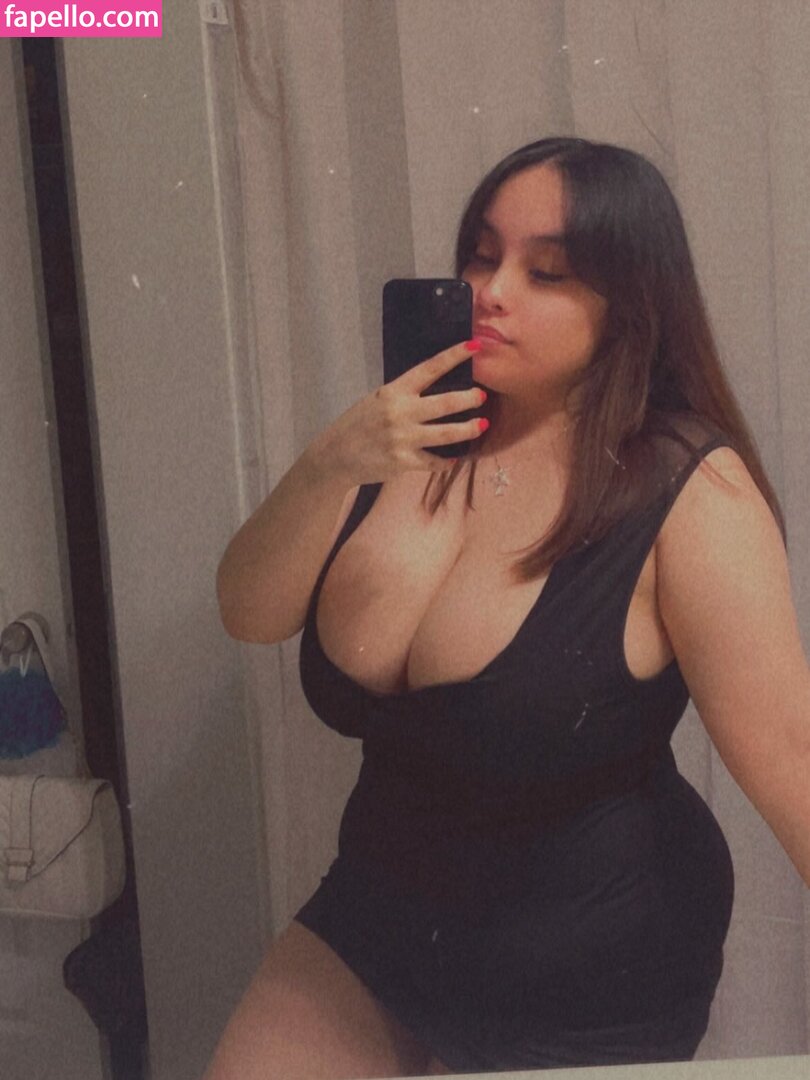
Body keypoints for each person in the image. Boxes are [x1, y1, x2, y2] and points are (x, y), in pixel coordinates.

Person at [206, 137, 810, 1079]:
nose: (491, 291)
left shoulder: (689, 490)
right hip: (380, 919)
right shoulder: (401, 437)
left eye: (547, 272)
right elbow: (247, 610)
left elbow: (792, 759)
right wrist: (327, 464)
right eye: (481, 256)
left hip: (591, 968)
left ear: (630, 304)